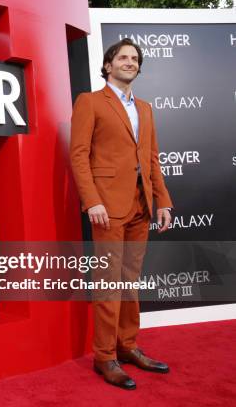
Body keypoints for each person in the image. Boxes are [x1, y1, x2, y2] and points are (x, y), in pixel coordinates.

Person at [70, 38, 173, 390]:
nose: (130, 62)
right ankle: (104, 356)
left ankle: (127, 346)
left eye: (135, 58)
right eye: (123, 57)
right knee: (109, 283)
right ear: (109, 64)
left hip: (141, 208)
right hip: (107, 209)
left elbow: (152, 159)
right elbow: (79, 155)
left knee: (129, 283)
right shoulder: (90, 102)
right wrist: (92, 200)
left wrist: (163, 200)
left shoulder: (145, 108)